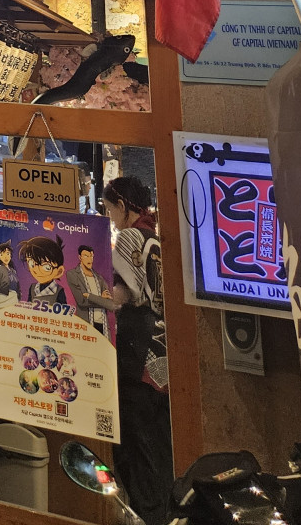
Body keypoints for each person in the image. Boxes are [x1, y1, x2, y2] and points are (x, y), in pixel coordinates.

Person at [104, 175, 172, 525]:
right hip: (161, 352)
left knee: (134, 444)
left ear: (122, 205)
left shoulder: (131, 237)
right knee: (158, 446)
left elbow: (121, 295)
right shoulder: (156, 236)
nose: (110, 217)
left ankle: (148, 515)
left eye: (109, 209)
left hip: (138, 352)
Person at [67, 242, 119, 333]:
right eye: (86, 256)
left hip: (103, 326)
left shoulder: (100, 278)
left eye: (91, 256)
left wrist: (90, 296)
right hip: (85, 325)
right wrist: (101, 299)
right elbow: (81, 301)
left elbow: (110, 305)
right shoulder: (72, 274)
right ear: (80, 257)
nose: (90, 259)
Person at [18, 234, 73, 308]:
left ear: (59, 272)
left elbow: (63, 312)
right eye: (31, 264)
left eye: (46, 267)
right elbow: (29, 306)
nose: (36, 270)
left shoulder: (58, 291)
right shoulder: (32, 288)